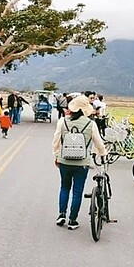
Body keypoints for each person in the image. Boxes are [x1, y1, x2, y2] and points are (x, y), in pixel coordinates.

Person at [52, 95, 105, 230]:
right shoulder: (90, 124)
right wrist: (103, 154)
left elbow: (56, 141)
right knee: (77, 191)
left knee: (64, 187)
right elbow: (98, 142)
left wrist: (57, 156)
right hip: (82, 163)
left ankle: (61, 214)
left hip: (64, 161)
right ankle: (72, 220)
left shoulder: (62, 121)